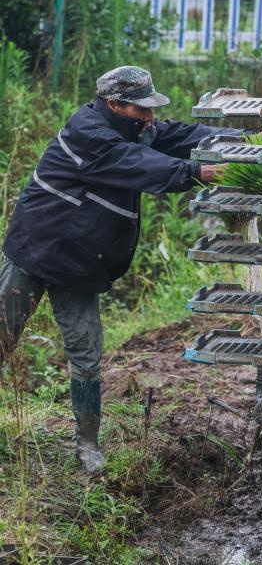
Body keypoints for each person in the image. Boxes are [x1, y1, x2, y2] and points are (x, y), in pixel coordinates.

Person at [0, 66, 233, 473]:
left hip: (79, 264)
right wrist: (196, 172)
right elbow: (136, 164)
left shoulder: (135, 129)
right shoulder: (88, 132)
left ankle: (87, 444)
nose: (149, 118)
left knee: (86, 354)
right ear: (114, 105)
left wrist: (240, 144)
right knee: (2, 337)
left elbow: (176, 135)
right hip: (35, 252)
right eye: (140, 110)